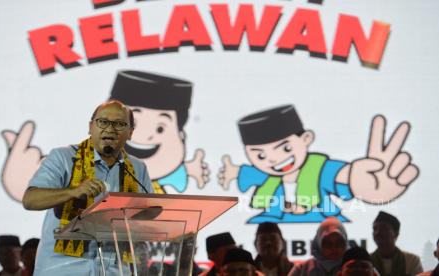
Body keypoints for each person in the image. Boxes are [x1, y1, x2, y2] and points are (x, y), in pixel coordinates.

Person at [218, 105, 419, 223]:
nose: (273, 160)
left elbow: (344, 175)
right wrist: (230, 172)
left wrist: (365, 184)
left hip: (326, 227)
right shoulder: (262, 175)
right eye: (260, 156)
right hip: (270, 223)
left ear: (306, 139)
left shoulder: (320, 168)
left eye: (286, 148)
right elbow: (242, 173)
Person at [22, 100, 153, 275]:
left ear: (130, 132)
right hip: (63, 269)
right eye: (103, 122)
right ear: (90, 127)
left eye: (120, 124)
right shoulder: (63, 158)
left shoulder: (137, 168)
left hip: (113, 269)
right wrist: (73, 191)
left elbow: (149, 218)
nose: (110, 129)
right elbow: (30, 200)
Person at [110, 70, 209, 193]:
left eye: (160, 128)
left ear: (181, 136)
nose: (146, 137)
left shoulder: (154, 185)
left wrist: (188, 168)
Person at [370, 211, 423, 276]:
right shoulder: (367, 261)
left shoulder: (412, 260)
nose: (377, 233)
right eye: (375, 229)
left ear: (396, 233)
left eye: (384, 228)